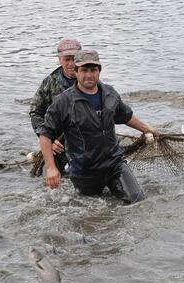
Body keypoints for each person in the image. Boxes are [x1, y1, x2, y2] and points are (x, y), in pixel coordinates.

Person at [37, 50, 157, 204]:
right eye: (84, 70)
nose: (89, 75)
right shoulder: (63, 101)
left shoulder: (110, 94)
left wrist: (147, 129)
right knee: (90, 207)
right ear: (76, 72)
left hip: (115, 164)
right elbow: (45, 134)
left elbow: (125, 116)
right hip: (84, 171)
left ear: (99, 71)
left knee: (138, 202)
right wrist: (51, 168)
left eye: (93, 70)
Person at [29, 38, 83, 172]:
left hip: (83, 143)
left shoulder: (90, 78)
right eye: (67, 59)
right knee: (52, 178)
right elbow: (35, 113)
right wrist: (50, 141)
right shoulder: (49, 82)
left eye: (75, 59)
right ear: (60, 60)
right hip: (58, 145)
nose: (71, 64)